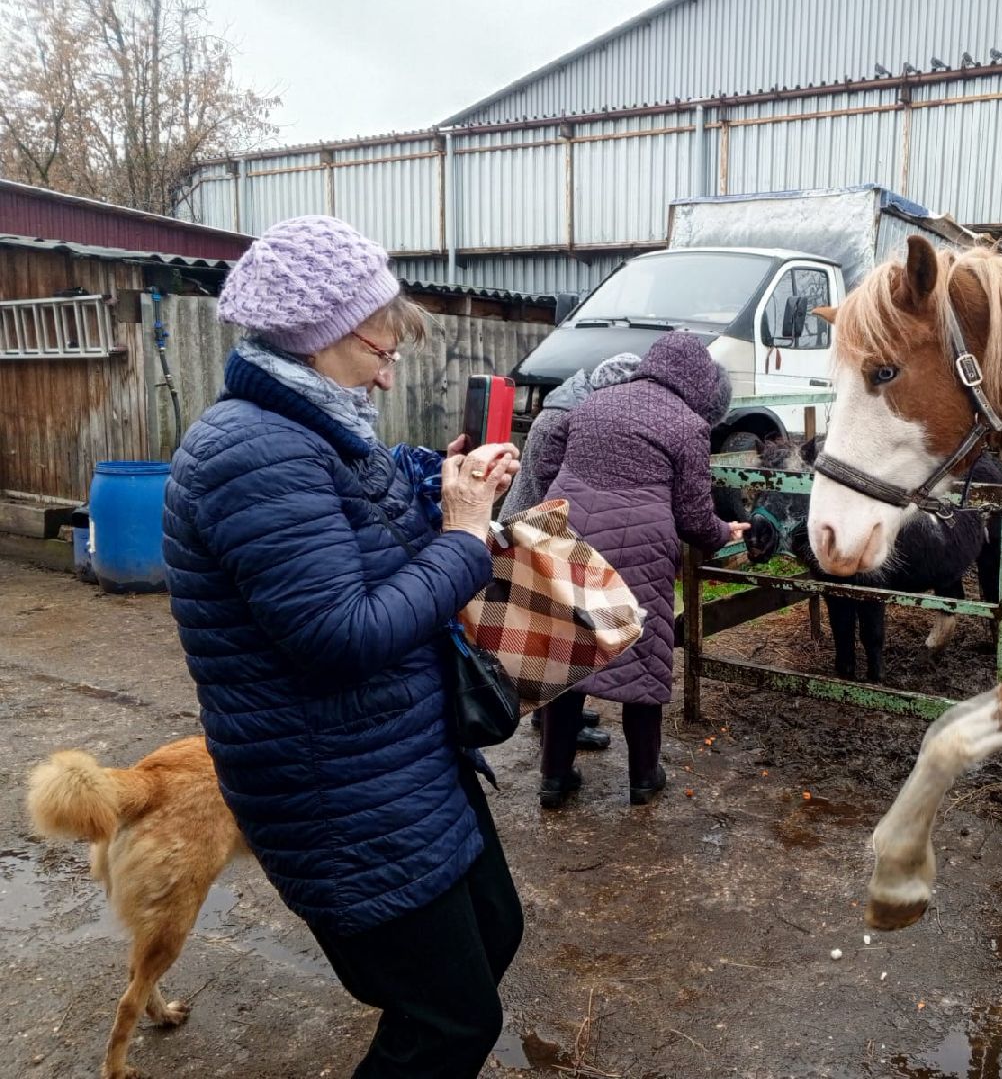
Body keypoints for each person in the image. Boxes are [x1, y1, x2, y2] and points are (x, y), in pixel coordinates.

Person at [162, 215, 522, 1078]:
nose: (391, 363)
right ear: (319, 337)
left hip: (402, 763)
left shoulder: (319, 430)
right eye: (379, 343)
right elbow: (338, 635)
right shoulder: (248, 452)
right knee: (449, 1022)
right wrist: (466, 543)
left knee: (495, 935)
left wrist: (442, 481)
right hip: (336, 789)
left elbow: (366, 503)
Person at [528, 332, 748, 809]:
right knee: (641, 666)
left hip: (568, 532)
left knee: (569, 657)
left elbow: (546, 453)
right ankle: (644, 778)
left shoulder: (595, 402)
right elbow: (692, 514)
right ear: (698, 382)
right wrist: (722, 533)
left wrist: (561, 496)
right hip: (640, 548)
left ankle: (553, 778)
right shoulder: (688, 424)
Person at [505, 352, 643, 752]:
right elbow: (564, 488)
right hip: (539, 532)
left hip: (535, 527)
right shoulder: (568, 420)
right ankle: (557, 728)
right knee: (561, 636)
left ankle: (554, 718)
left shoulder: (564, 407)